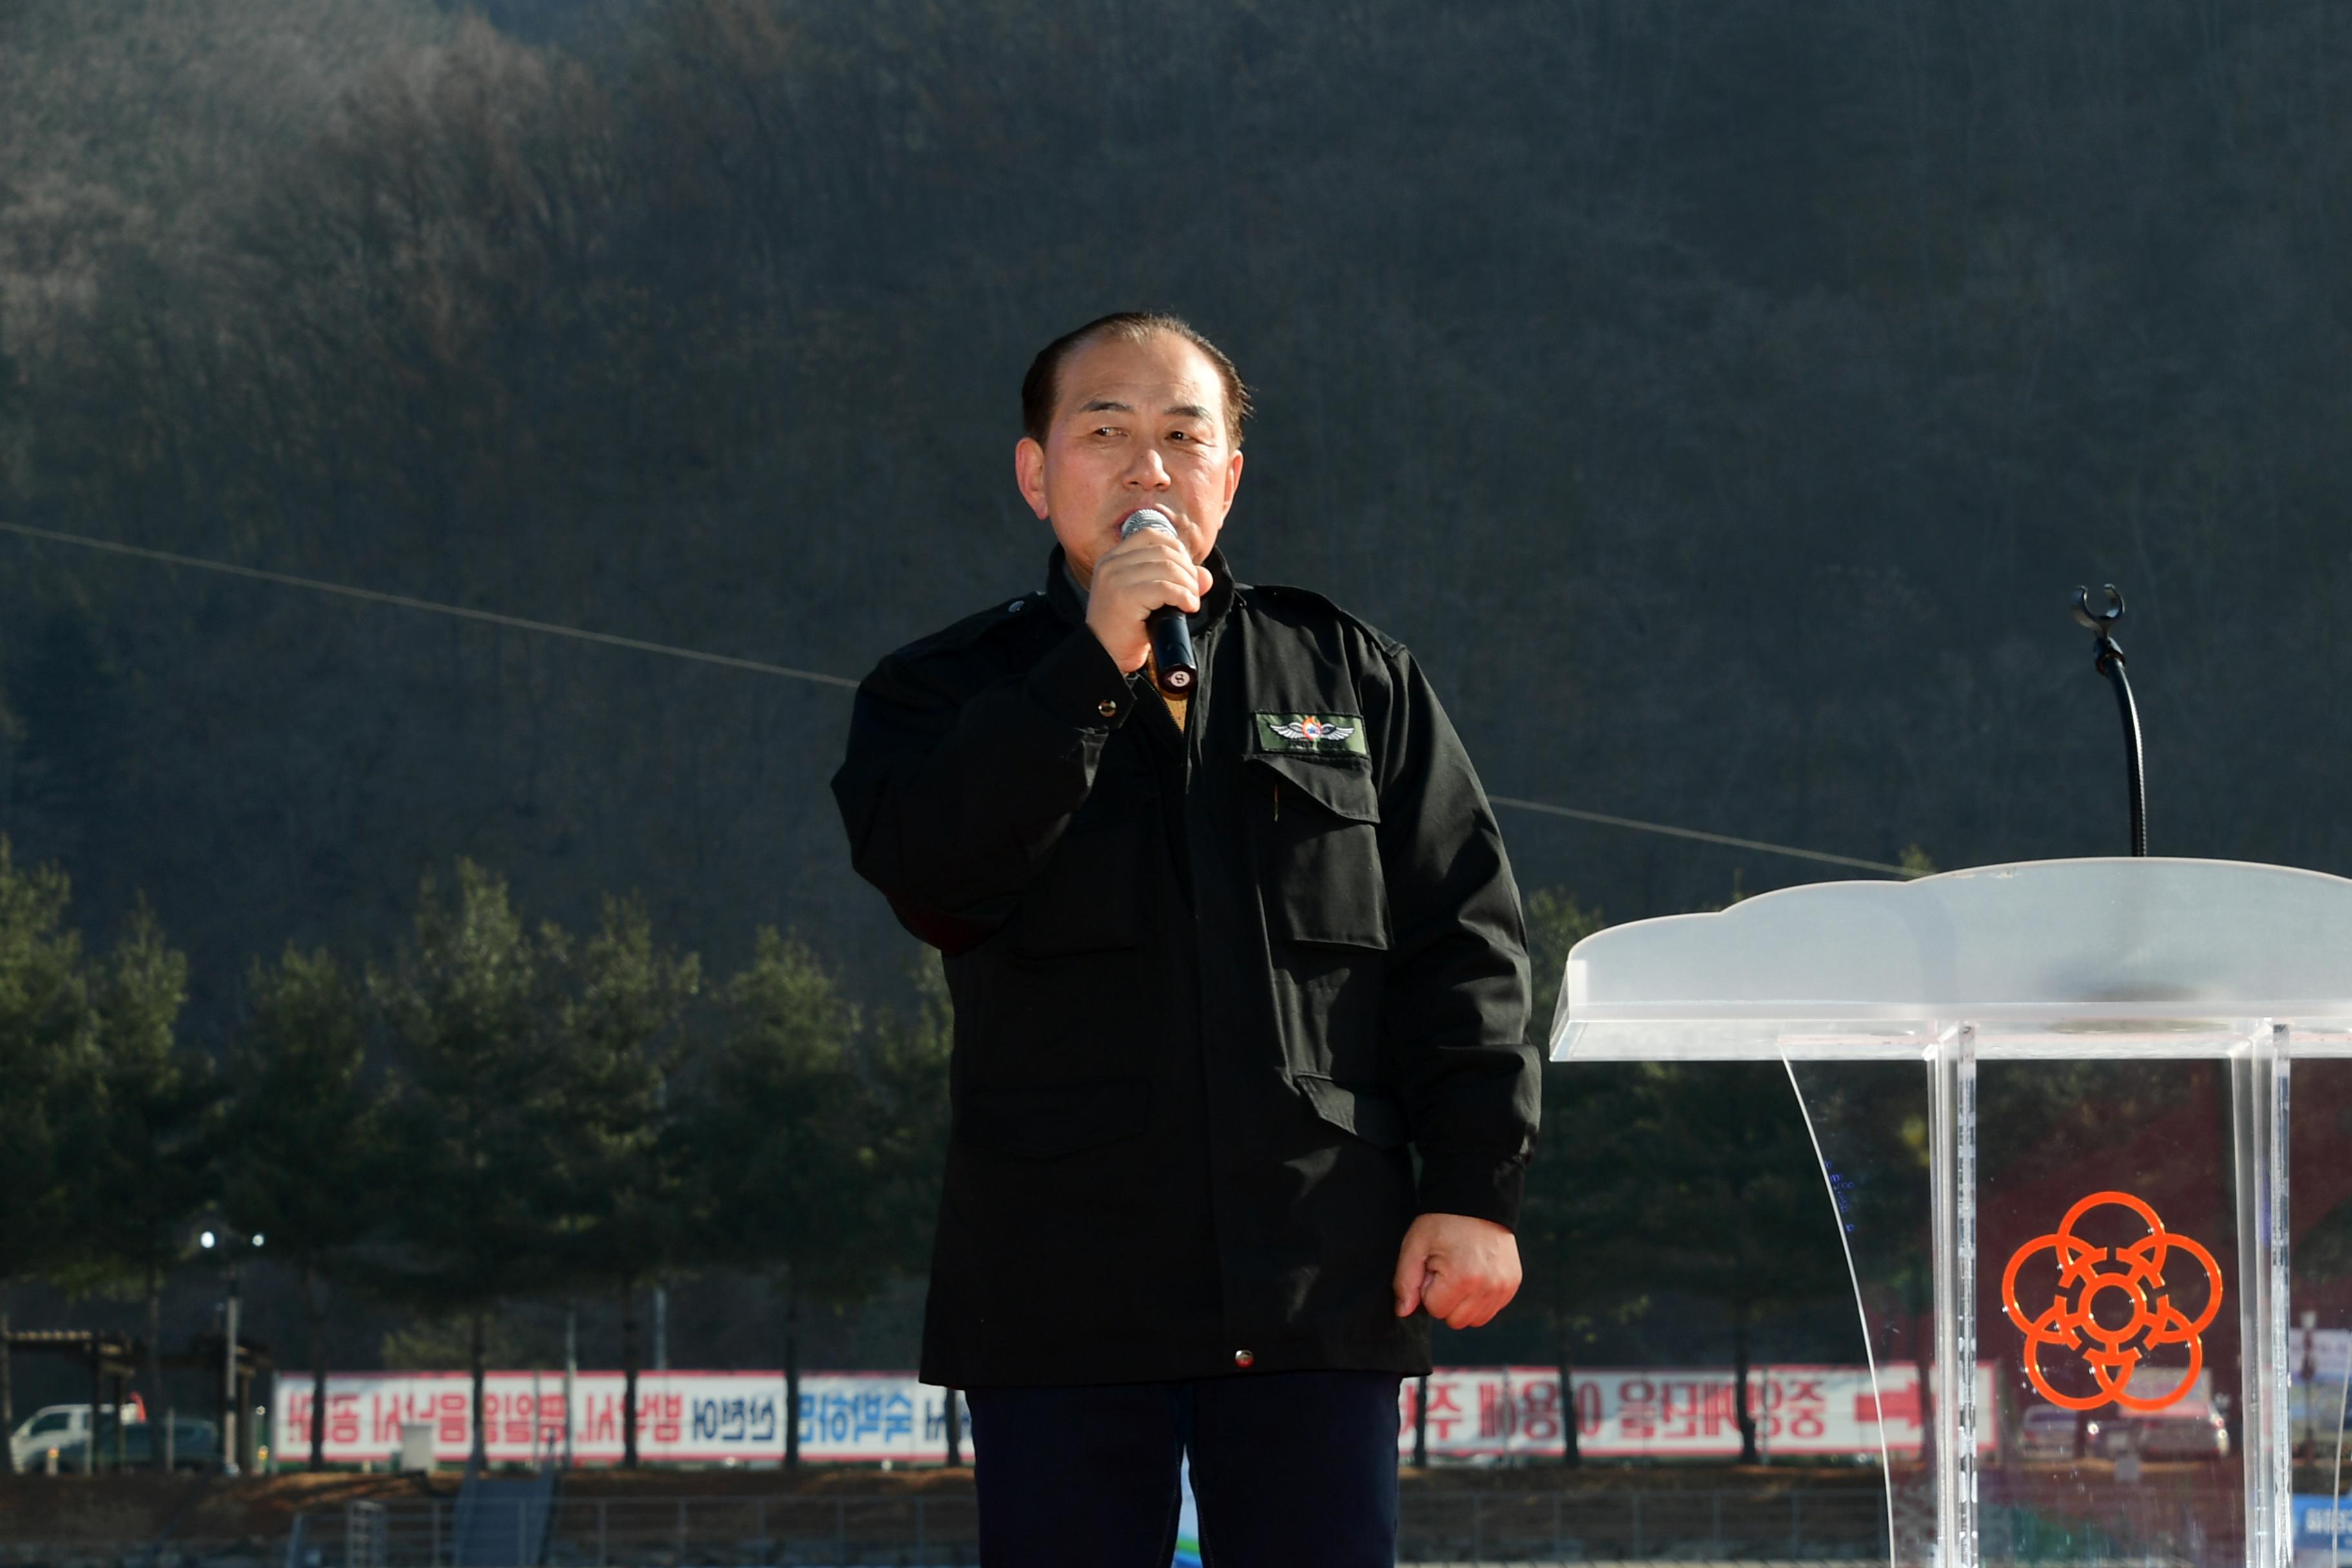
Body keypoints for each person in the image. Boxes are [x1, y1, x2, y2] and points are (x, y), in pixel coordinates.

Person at [831, 312, 1537, 1564]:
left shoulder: (1352, 677)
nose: (1147, 467)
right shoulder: (942, 692)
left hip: (1317, 1282)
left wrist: (1476, 1188)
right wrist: (1090, 670)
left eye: (1180, 436)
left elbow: (1464, 946)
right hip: (1062, 1294)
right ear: (1037, 474)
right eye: (1106, 431)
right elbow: (938, 878)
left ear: (1231, 477)